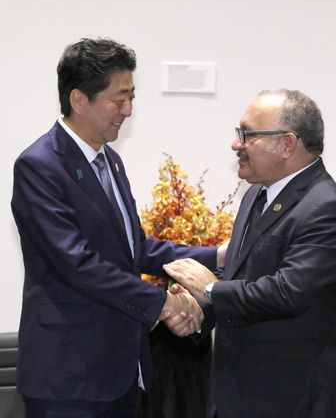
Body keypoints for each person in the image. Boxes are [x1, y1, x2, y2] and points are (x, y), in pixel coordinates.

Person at [11, 37, 226, 418]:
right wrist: (163, 303)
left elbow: (135, 249)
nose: (128, 110)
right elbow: (77, 263)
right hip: (68, 377)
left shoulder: (110, 162)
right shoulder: (40, 165)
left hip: (120, 371)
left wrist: (217, 255)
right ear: (79, 99)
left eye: (132, 97)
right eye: (119, 98)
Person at [164, 89, 336, 418]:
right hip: (240, 395)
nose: (236, 144)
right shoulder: (255, 196)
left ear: (286, 144)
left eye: (248, 134)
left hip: (299, 399)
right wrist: (197, 312)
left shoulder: (327, 207)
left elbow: (287, 292)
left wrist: (210, 290)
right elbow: (239, 276)